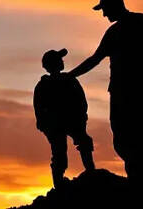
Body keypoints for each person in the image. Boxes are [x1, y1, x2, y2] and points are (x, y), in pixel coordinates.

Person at [68, 0, 143, 185]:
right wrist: (70, 75)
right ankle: (136, 175)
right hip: (119, 92)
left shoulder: (142, 22)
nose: (104, 15)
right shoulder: (113, 32)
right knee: (121, 134)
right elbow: (95, 59)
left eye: (105, 10)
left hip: (137, 91)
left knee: (140, 132)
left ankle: (142, 179)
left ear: (114, 6)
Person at [34, 48, 96, 189]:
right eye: (59, 60)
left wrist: (81, 117)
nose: (62, 61)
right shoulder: (62, 82)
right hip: (59, 123)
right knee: (62, 151)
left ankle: (88, 173)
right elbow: (39, 109)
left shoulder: (47, 84)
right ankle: (64, 181)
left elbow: (81, 102)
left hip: (67, 122)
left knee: (70, 147)